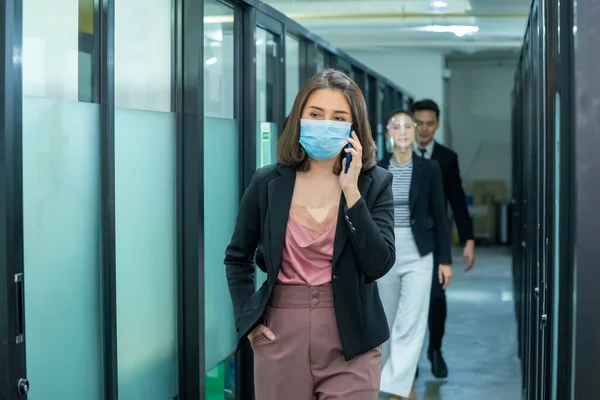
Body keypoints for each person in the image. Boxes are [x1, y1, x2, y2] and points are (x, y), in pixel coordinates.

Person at [224, 69, 396, 400]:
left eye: (338, 117)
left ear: (354, 128)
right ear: (300, 116)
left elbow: (378, 264)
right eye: (316, 114)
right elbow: (238, 256)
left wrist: (352, 192)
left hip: (353, 335)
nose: (324, 123)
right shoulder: (267, 182)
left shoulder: (375, 183)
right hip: (280, 331)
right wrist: (247, 318)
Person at [377, 110, 452, 400]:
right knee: (386, 320)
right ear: (388, 134)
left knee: (410, 322)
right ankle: (401, 386)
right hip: (385, 252)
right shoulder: (376, 168)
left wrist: (445, 259)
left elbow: (440, 215)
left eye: (408, 125)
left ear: (414, 131)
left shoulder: (430, 168)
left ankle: (397, 390)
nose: (404, 130)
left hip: (419, 252)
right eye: (397, 126)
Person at [410, 99, 475, 378]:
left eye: (429, 124)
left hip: (435, 239)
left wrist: (469, 239)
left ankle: (435, 350)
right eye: (418, 123)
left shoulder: (447, 158)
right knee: (407, 300)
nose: (423, 129)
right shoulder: (396, 155)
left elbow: (457, 201)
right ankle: (408, 358)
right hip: (404, 239)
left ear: (436, 125)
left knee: (436, 296)